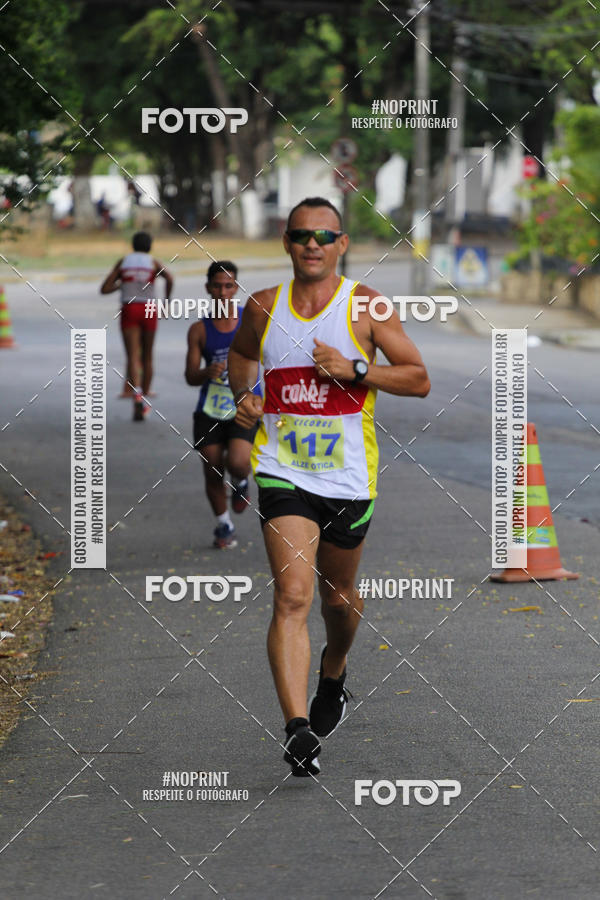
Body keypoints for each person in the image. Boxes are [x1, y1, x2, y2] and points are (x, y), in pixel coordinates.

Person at [228, 197, 430, 777]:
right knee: (292, 597)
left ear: (342, 244)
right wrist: (244, 395)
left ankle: (334, 671)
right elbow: (242, 356)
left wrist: (357, 370)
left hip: (348, 478)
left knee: (337, 600)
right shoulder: (264, 307)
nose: (311, 244)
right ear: (287, 243)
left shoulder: (365, 306)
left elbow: (418, 380)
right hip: (283, 472)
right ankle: (297, 731)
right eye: (299, 235)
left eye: (324, 235)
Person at [185, 261, 261, 549]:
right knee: (213, 467)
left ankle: (241, 482)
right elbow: (191, 376)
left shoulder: (251, 321)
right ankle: (223, 524)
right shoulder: (199, 330)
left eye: (229, 285)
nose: (223, 291)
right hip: (210, 411)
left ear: (237, 288)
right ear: (208, 288)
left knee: (239, 462)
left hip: (244, 406)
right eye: (217, 285)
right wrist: (207, 372)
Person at [100, 231, 173, 419]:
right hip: (149, 309)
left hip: (130, 308)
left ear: (132, 245)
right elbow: (170, 278)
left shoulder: (123, 262)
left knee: (132, 356)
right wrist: (166, 302)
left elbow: (105, 288)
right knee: (148, 355)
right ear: (150, 246)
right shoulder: (153, 263)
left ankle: (137, 397)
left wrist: (122, 285)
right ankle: (146, 397)